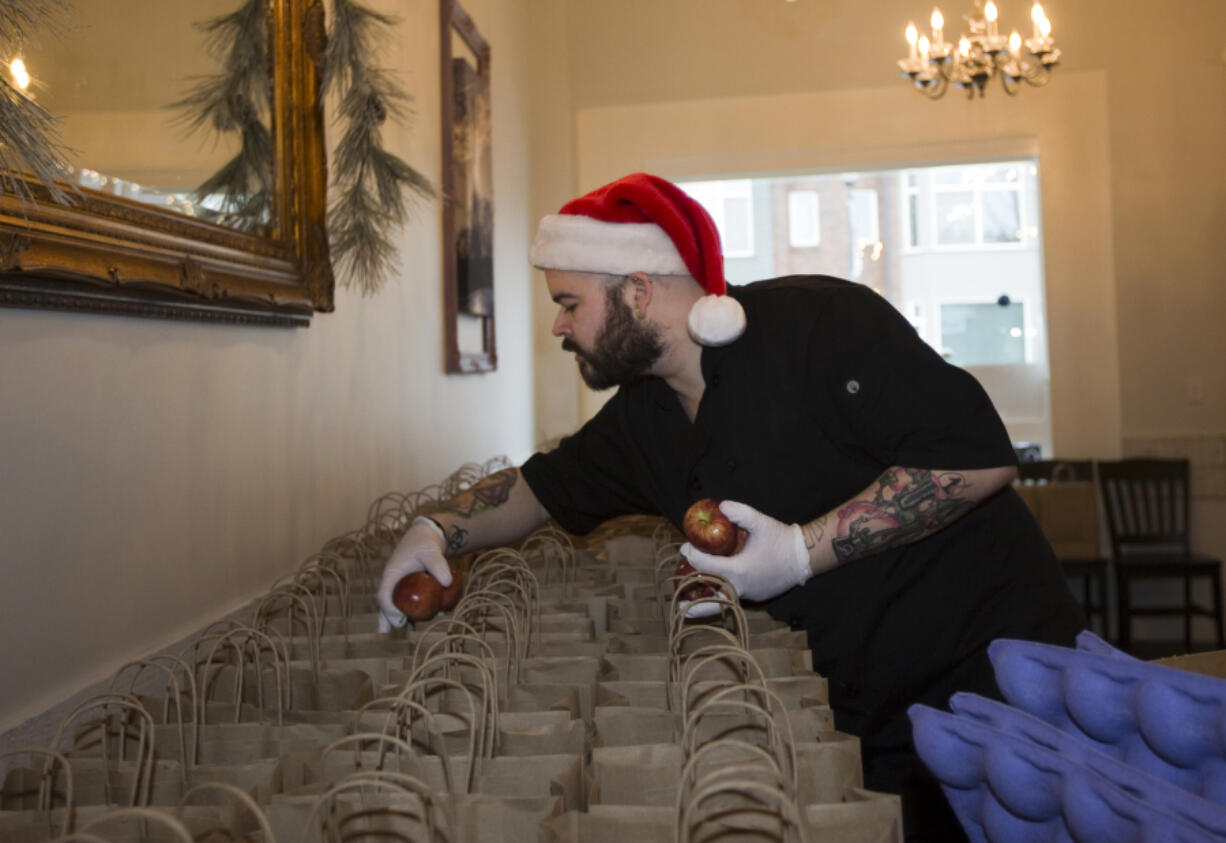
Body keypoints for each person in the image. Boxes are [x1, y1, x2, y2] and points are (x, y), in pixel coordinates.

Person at [377, 172, 1085, 840]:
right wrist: (437, 527)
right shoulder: (643, 419)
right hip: (869, 714)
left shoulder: (820, 322)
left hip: (996, 679)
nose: (559, 326)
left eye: (568, 302)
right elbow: (536, 490)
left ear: (639, 290)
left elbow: (974, 458)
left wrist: (803, 550)